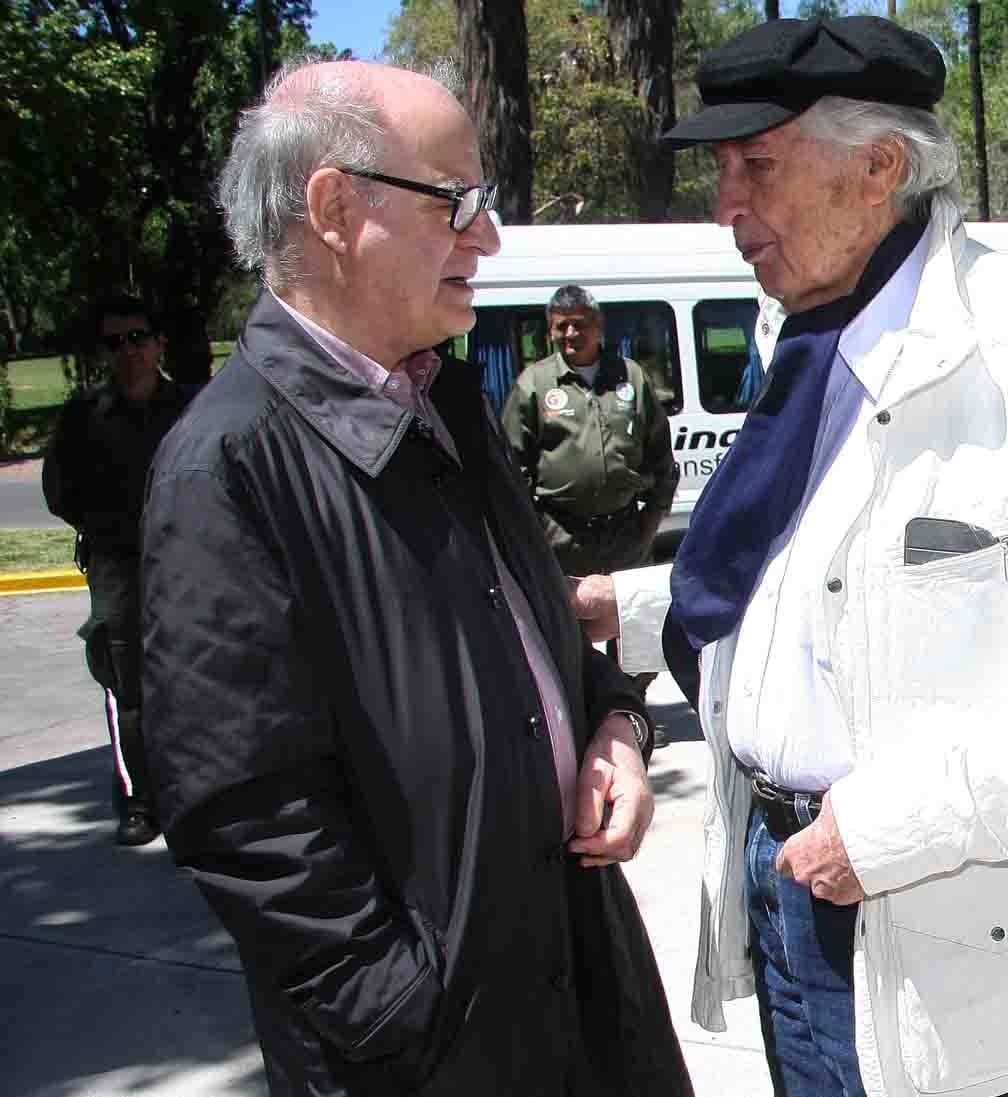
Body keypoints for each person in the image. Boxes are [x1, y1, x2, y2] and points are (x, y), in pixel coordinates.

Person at [575, 16, 1008, 1097]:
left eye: (754, 167)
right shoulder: (802, 334)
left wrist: (887, 829)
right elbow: (800, 583)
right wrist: (623, 607)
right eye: (721, 172)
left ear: (878, 170)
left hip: (925, 904)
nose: (725, 211)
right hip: (781, 886)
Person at [141, 60, 691, 1097]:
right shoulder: (227, 466)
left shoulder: (444, 404)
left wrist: (613, 721)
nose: (485, 238)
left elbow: (542, 634)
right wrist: (408, 1014)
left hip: (580, 1000)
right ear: (335, 207)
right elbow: (246, 817)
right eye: (458, 202)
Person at [42, 295, 197, 846]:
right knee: (126, 687)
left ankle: (195, 795)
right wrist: (115, 527)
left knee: (196, 679)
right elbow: (59, 492)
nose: (128, 351)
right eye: (115, 342)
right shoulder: (84, 418)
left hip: (188, 564)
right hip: (118, 567)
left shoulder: (189, 408)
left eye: (137, 338)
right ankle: (139, 802)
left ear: (158, 343)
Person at [501, 285, 677, 578]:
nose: (570, 333)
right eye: (561, 326)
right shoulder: (534, 383)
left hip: (626, 537)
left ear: (598, 327)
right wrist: (540, 532)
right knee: (570, 623)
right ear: (551, 331)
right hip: (561, 542)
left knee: (628, 621)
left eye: (579, 324)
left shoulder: (631, 376)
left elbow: (660, 454)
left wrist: (651, 520)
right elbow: (513, 469)